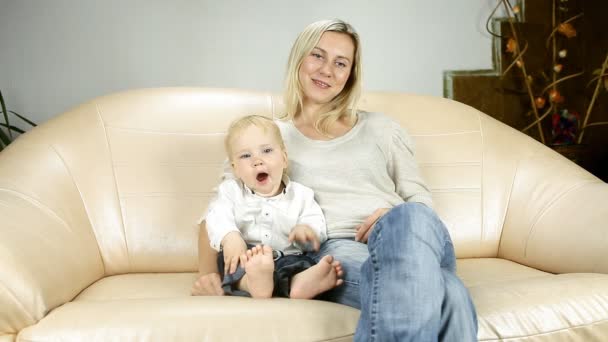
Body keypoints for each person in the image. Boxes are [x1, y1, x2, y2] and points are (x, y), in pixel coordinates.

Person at [193, 19, 478, 341]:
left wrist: (394, 219)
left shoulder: (382, 129)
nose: (327, 70)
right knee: (449, 293)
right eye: (317, 56)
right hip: (337, 248)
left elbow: (421, 203)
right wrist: (207, 275)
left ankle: (402, 238)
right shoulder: (265, 139)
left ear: (350, 75)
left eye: (340, 63)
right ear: (298, 59)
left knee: (411, 218)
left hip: (409, 236)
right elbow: (218, 210)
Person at [202, 114, 343, 299]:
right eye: (246, 155)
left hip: (288, 256)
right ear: (235, 168)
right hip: (247, 256)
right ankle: (252, 283)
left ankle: (298, 285)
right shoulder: (231, 191)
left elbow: (315, 219)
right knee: (229, 264)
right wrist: (230, 237)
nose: (257, 161)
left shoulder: (301, 195)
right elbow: (216, 216)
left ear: (284, 159)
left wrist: (307, 230)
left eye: (267, 151)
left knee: (303, 265)